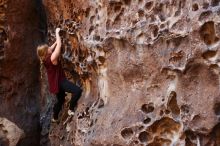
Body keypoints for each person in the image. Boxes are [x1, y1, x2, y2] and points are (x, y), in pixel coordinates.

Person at [37, 28, 82, 122]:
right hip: (61, 82)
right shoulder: (52, 58)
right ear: (46, 52)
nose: (50, 48)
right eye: (48, 48)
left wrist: (54, 43)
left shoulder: (44, 59)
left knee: (61, 100)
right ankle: (71, 109)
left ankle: (55, 117)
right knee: (77, 91)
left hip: (54, 84)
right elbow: (59, 45)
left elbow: (53, 47)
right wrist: (57, 33)